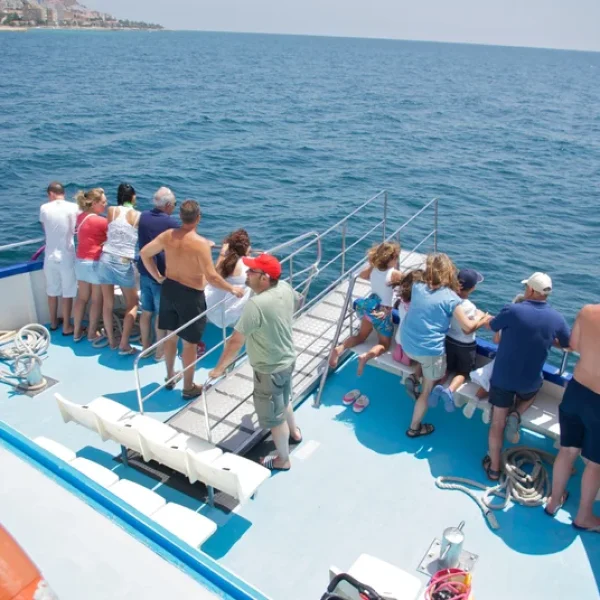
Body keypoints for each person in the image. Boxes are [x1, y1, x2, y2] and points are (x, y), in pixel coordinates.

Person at [140, 200, 244, 399]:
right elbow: (212, 276)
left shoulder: (167, 236)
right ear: (198, 218)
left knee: (171, 336)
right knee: (190, 343)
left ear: (180, 216)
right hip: (190, 296)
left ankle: (170, 376)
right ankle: (188, 387)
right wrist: (233, 289)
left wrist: (158, 277)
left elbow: (144, 253)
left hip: (169, 289)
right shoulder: (200, 244)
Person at [208, 253, 301, 472]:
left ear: (265, 278)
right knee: (284, 397)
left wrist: (219, 369)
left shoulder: (256, 305)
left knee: (275, 419)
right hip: (288, 359)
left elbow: (236, 341)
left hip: (268, 369)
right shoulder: (285, 287)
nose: (247, 274)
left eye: (252, 271)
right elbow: (298, 300)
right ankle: (295, 433)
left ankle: (283, 460)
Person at [482, 272, 570, 481]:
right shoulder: (557, 318)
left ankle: (494, 469)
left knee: (497, 424)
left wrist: (485, 318)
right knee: (531, 393)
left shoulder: (513, 310)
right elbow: (567, 343)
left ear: (531, 290)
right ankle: (518, 413)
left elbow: (492, 326)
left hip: (502, 380)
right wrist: (551, 339)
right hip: (529, 383)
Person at [400, 253, 491, 438]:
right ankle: (414, 428)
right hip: (428, 352)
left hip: (407, 343)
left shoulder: (418, 286)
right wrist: (482, 318)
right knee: (427, 390)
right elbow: (468, 328)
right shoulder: (451, 299)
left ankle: (415, 376)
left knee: (430, 361)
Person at [545, 305, 600, 530]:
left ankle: (553, 501)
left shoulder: (588, 311)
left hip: (576, 391)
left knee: (567, 450)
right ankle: (584, 516)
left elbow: (574, 345)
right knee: (595, 464)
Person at [328, 242, 403, 406]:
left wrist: (372, 264)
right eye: (396, 257)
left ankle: (340, 348)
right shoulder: (394, 273)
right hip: (382, 313)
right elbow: (408, 284)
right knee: (384, 343)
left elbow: (362, 275)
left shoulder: (373, 269)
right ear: (392, 259)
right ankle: (366, 356)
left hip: (369, 307)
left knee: (361, 336)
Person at [429, 268, 489, 410]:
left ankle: (436, 387)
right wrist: (482, 317)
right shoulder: (470, 307)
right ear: (473, 288)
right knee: (462, 372)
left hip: (448, 340)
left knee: (448, 367)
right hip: (465, 345)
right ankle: (449, 390)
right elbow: (468, 329)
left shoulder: (448, 300)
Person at [97, 183, 141, 354]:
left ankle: (111, 341)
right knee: (132, 304)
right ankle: (124, 344)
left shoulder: (111, 211)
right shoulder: (138, 215)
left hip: (105, 258)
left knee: (107, 304)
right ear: (133, 197)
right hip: (123, 262)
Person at [137, 187, 178, 360]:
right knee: (161, 315)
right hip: (160, 276)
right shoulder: (170, 223)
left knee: (146, 312)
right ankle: (160, 352)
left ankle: (146, 348)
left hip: (144, 271)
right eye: (174, 204)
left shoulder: (143, 216)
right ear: (168, 205)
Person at [39, 181, 78, 335]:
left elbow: (44, 228)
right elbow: (75, 228)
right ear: (63, 193)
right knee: (67, 292)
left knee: (52, 291)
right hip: (67, 255)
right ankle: (67, 325)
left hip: (49, 256)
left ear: (51, 194)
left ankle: (54, 322)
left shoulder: (44, 208)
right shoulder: (73, 207)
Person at [72, 188, 108, 342]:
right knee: (96, 300)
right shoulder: (101, 221)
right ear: (94, 203)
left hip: (80, 261)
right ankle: (92, 332)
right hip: (94, 263)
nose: (106, 205)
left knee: (82, 298)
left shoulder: (80, 217)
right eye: (103, 202)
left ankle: (76, 332)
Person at [205, 229, 252, 328]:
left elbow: (214, 276)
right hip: (231, 313)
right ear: (246, 247)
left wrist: (222, 253)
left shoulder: (224, 263)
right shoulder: (249, 264)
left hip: (212, 309)